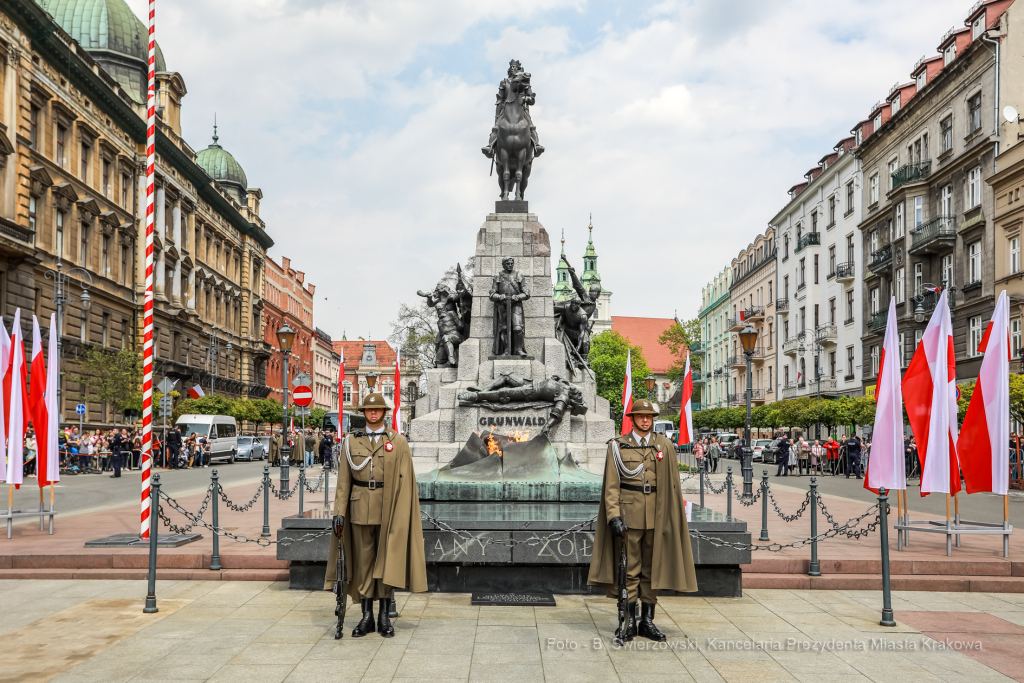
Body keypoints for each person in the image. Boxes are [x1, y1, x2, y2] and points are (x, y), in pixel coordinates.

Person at [587, 397, 697, 643]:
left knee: (652, 568)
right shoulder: (617, 446)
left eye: (649, 417)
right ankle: (628, 622)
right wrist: (614, 515)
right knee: (630, 570)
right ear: (633, 419)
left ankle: (647, 621)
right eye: (640, 416)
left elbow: (672, 485)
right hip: (630, 516)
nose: (645, 420)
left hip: (658, 516)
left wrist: (671, 516)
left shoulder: (664, 445)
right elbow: (612, 487)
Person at [326, 392, 427, 638]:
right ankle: (366, 616)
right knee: (363, 564)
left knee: (386, 562)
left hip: (388, 509)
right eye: (370, 410)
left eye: (378, 410)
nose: (374, 413)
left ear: (384, 413)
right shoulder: (351, 442)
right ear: (364, 413)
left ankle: (384, 616)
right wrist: (339, 512)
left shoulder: (398, 441)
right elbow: (343, 482)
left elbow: (407, 481)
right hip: (360, 509)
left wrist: (403, 514)